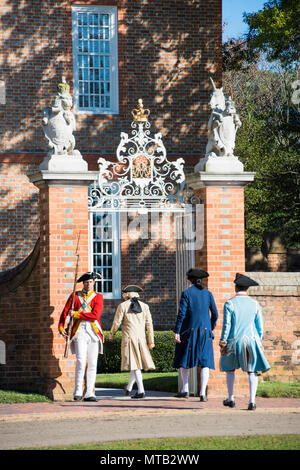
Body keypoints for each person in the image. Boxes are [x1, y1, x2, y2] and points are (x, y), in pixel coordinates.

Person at [219, 273, 271, 410]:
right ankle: (252, 401)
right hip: (251, 340)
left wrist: (223, 341)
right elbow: (260, 327)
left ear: (236, 287)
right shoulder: (254, 304)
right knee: (252, 371)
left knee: (230, 369)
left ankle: (231, 398)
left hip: (233, 341)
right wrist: (258, 340)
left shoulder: (229, 303)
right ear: (247, 288)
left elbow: (227, 325)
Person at [173, 268, 218, 401]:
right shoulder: (208, 294)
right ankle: (203, 393)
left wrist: (177, 331)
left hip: (189, 331)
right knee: (205, 362)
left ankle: (185, 389)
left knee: (184, 359)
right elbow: (215, 314)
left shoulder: (186, 293)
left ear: (189, 280)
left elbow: (182, 314)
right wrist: (210, 327)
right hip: (205, 332)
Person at [58, 271, 103, 401]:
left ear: (94, 282)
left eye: (91, 282)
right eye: (86, 282)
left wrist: (76, 314)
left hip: (94, 332)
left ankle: (90, 392)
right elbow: (65, 312)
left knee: (93, 363)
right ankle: (77, 390)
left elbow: (95, 315)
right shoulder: (75, 296)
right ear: (83, 283)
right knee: (81, 361)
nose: (89, 284)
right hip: (79, 332)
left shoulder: (98, 297)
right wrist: (61, 327)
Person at [108, 285, 155, 399]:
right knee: (135, 364)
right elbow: (150, 325)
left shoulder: (122, 306)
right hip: (141, 339)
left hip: (129, 338)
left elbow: (116, 322)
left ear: (127, 294)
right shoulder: (145, 306)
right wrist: (151, 341)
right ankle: (129, 387)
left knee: (135, 366)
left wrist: (111, 334)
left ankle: (141, 391)